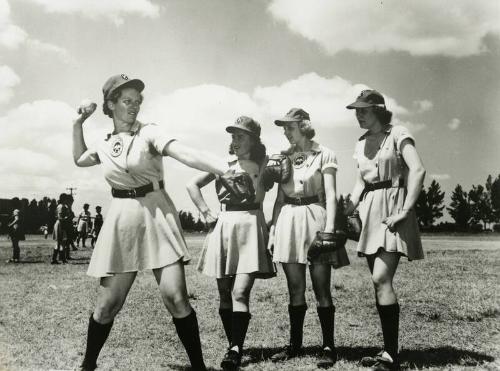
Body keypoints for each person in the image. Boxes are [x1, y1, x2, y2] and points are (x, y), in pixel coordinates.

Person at [73, 74, 228, 371]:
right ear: (110, 104)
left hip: (156, 212)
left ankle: (199, 367)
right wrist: (77, 124)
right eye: (127, 101)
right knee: (107, 307)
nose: (134, 106)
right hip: (121, 217)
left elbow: (183, 152)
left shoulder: (150, 133)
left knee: (176, 298)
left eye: (138, 101)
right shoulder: (104, 143)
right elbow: (80, 158)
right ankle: (87, 365)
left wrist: (221, 169)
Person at [187, 116, 276, 370]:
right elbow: (191, 184)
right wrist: (205, 211)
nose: (235, 141)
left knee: (240, 291)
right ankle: (233, 344)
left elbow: (287, 182)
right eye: (233, 136)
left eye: (241, 136)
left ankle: (236, 349)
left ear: (254, 139)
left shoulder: (265, 163)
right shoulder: (221, 163)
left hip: (251, 224)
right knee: (225, 292)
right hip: (224, 225)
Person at [345, 90, 425, 371]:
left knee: (381, 278)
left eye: (363, 110)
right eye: (356, 110)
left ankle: (391, 355)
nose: (358, 114)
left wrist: (405, 211)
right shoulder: (361, 143)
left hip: (394, 208)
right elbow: (360, 182)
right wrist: (349, 206)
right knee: (378, 282)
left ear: (378, 110)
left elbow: (417, 170)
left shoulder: (398, 133)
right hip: (369, 211)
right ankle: (389, 351)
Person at [269, 108, 349, 368]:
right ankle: (295, 345)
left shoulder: (324, 153)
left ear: (304, 126)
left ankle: (328, 346)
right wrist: (272, 229)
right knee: (295, 288)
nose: (285, 131)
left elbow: (331, 193)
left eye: (289, 127)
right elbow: (279, 199)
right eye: (284, 128)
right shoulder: (283, 157)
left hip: (316, 216)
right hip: (289, 218)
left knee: (321, 286)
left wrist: (328, 229)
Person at [51, 193, 72, 264]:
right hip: (60, 224)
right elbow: (60, 217)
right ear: (64, 199)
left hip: (61, 224)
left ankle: (56, 259)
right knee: (61, 242)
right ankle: (60, 259)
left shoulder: (63, 206)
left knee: (61, 242)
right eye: (66, 199)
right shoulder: (61, 206)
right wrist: (66, 218)